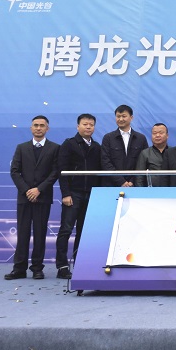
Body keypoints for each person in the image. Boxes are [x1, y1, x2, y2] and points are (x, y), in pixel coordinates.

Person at [5, 115, 60, 280]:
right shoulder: (21, 148)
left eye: (42, 125)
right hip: (24, 198)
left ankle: (37, 268)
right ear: (31, 128)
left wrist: (39, 190)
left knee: (40, 233)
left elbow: (55, 172)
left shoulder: (55, 148)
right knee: (22, 233)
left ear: (47, 129)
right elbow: (15, 171)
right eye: (35, 125)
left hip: (43, 197)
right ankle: (19, 268)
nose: (38, 128)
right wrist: (27, 191)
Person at [56, 113, 101, 280]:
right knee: (66, 230)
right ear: (78, 126)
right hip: (73, 193)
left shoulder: (96, 146)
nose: (88, 127)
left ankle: (80, 264)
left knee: (83, 231)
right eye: (85, 124)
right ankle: (62, 266)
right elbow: (62, 170)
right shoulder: (69, 144)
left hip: (90, 194)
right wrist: (66, 193)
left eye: (91, 124)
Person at [101, 105, 149, 187]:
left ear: (131, 117)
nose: (120, 119)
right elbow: (105, 162)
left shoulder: (141, 138)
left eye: (124, 116)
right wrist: (121, 181)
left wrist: (132, 181)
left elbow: (144, 162)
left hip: (135, 185)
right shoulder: (108, 138)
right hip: (112, 184)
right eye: (118, 116)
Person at [135, 123, 169, 187]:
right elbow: (139, 177)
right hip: (151, 190)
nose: (157, 135)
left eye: (161, 133)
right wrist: (140, 191)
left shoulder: (172, 152)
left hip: (171, 190)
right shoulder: (145, 153)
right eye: (154, 133)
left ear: (167, 135)